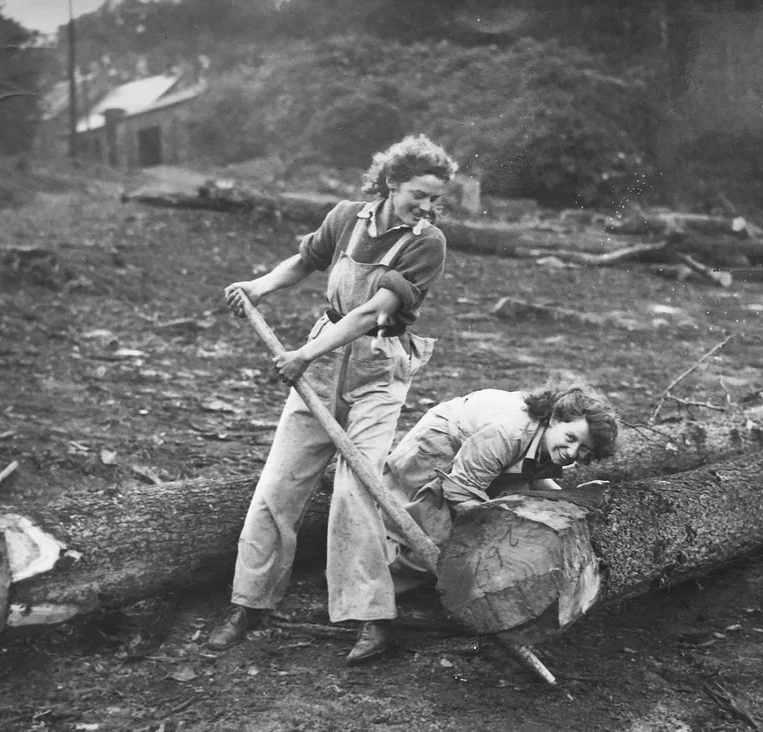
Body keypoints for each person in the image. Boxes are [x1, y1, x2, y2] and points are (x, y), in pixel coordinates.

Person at [209, 134, 459, 664]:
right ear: (392, 182)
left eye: (437, 199)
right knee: (277, 486)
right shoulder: (347, 216)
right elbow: (304, 261)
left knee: (356, 491)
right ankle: (249, 603)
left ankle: (373, 617)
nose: (429, 208)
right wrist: (258, 287)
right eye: (420, 194)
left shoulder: (426, 243)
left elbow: (372, 314)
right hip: (321, 368)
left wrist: (302, 352)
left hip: (377, 373)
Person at [381, 384, 619, 602]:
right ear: (555, 420)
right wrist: (497, 525)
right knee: (435, 533)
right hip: (442, 441)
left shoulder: (550, 441)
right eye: (571, 438)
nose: (573, 451)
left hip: (485, 456)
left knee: (510, 512)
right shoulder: (509, 433)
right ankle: (376, 589)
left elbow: (532, 478)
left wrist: (576, 499)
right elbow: (459, 490)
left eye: (584, 448)